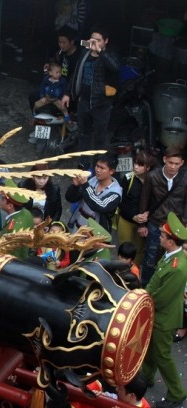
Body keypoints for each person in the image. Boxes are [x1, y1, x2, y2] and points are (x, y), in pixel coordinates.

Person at [139, 212, 187, 405]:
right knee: (151, 348)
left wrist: (143, 303)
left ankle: (176, 392)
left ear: (170, 242)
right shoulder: (170, 257)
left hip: (164, 317)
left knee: (162, 355)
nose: (159, 238)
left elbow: (163, 297)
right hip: (158, 314)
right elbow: (155, 281)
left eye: (162, 236)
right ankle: (147, 377)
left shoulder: (177, 267)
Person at [62, 25, 119, 169]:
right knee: (84, 134)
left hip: (101, 105)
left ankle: (98, 167)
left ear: (105, 41)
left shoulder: (109, 55)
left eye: (98, 40)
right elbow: (75, 75)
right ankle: (84, 164)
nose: (94, 42)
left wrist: (100, 52)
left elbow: (115, 67)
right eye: (92, 39)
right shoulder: (85, 54)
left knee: (100, 138)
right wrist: (68, 93)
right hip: (84, 102)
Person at [136, 147, 187, 285]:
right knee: (150, 258)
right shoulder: (153, 176)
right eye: (170, 162)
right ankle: (146, 289)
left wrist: (184, 227)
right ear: (164, 160)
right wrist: (141, 224)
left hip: (176, 225)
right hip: (155, 223)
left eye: (176, 164)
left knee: (173, 259)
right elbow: (144, 199)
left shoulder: (184, 178)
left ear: (181, 163)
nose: (173, 166)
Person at [116, 150, 157, 265]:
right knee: (124, 248)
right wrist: (133, 216)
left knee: (138, 250)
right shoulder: (128, 179)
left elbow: (155, 202)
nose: (136, 167)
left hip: (143, 223)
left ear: (148, 168)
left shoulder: (154, 181)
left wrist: (147, 214)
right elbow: (120, 202)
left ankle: (135, 271)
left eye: (140, 165)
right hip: (126, 220)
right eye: (135, 163)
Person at [65, 155, 122, 232]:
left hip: (96, 235)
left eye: (102, 168)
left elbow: (100, 206)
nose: (98, 170)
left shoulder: (115, 192)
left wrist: (85, 185)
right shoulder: (92, 180)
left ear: (111, 171)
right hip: (78, 228)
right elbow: (71, 198)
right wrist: (75, 186)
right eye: (97, 166)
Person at [0, 189, 34, 260]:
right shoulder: (26, 212)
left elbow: (13, 255)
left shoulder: (13, 230)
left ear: (10, 206)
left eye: (2, 199)